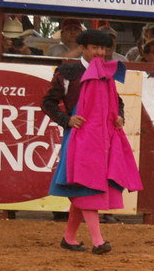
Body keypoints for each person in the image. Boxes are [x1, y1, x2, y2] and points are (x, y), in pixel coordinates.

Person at [44, 29, 142, 254]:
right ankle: (98, 241)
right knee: (89, 187)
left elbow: (117, 102)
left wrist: (119, 117)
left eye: (104, 49)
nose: (100, 52)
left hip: (103, 138)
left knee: (85, 187)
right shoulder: (68, 72)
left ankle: (69, 237)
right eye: (95, 48)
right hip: (80, 137)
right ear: (83, 48)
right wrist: (66, 120)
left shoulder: (107, 73)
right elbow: (48, 102)